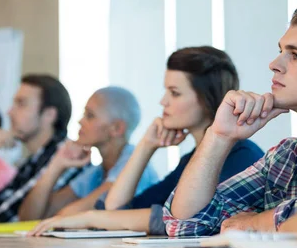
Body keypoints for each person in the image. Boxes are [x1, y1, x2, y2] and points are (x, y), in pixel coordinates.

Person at [163, 0, 297, 236]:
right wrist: (219, 136)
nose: (274, 65)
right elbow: (185, 224)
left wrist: (255, 222)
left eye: (295, 55)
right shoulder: (286, 157)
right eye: (280, 51)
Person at [28, 46, 263, 236]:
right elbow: (117, 208)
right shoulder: (190, 161)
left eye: (175, 93)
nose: (163, 102)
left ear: (206, 99)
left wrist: (91, 217)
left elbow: (186, 220)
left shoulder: (241, 156)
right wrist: (146, 146)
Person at [18, 86, 157, 220]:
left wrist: (57, 218)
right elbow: (30, 217)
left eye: (90, 116)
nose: (80, 121)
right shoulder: (97, 172)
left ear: (117, 128)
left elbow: (65, 216)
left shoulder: (134, 164)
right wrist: (56, 165)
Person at [0, 74, 82, 224]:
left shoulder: (66, 158)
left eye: (21, 104)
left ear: (49, 115)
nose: (10, 112)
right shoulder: (32, 161)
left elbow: (6, 221)